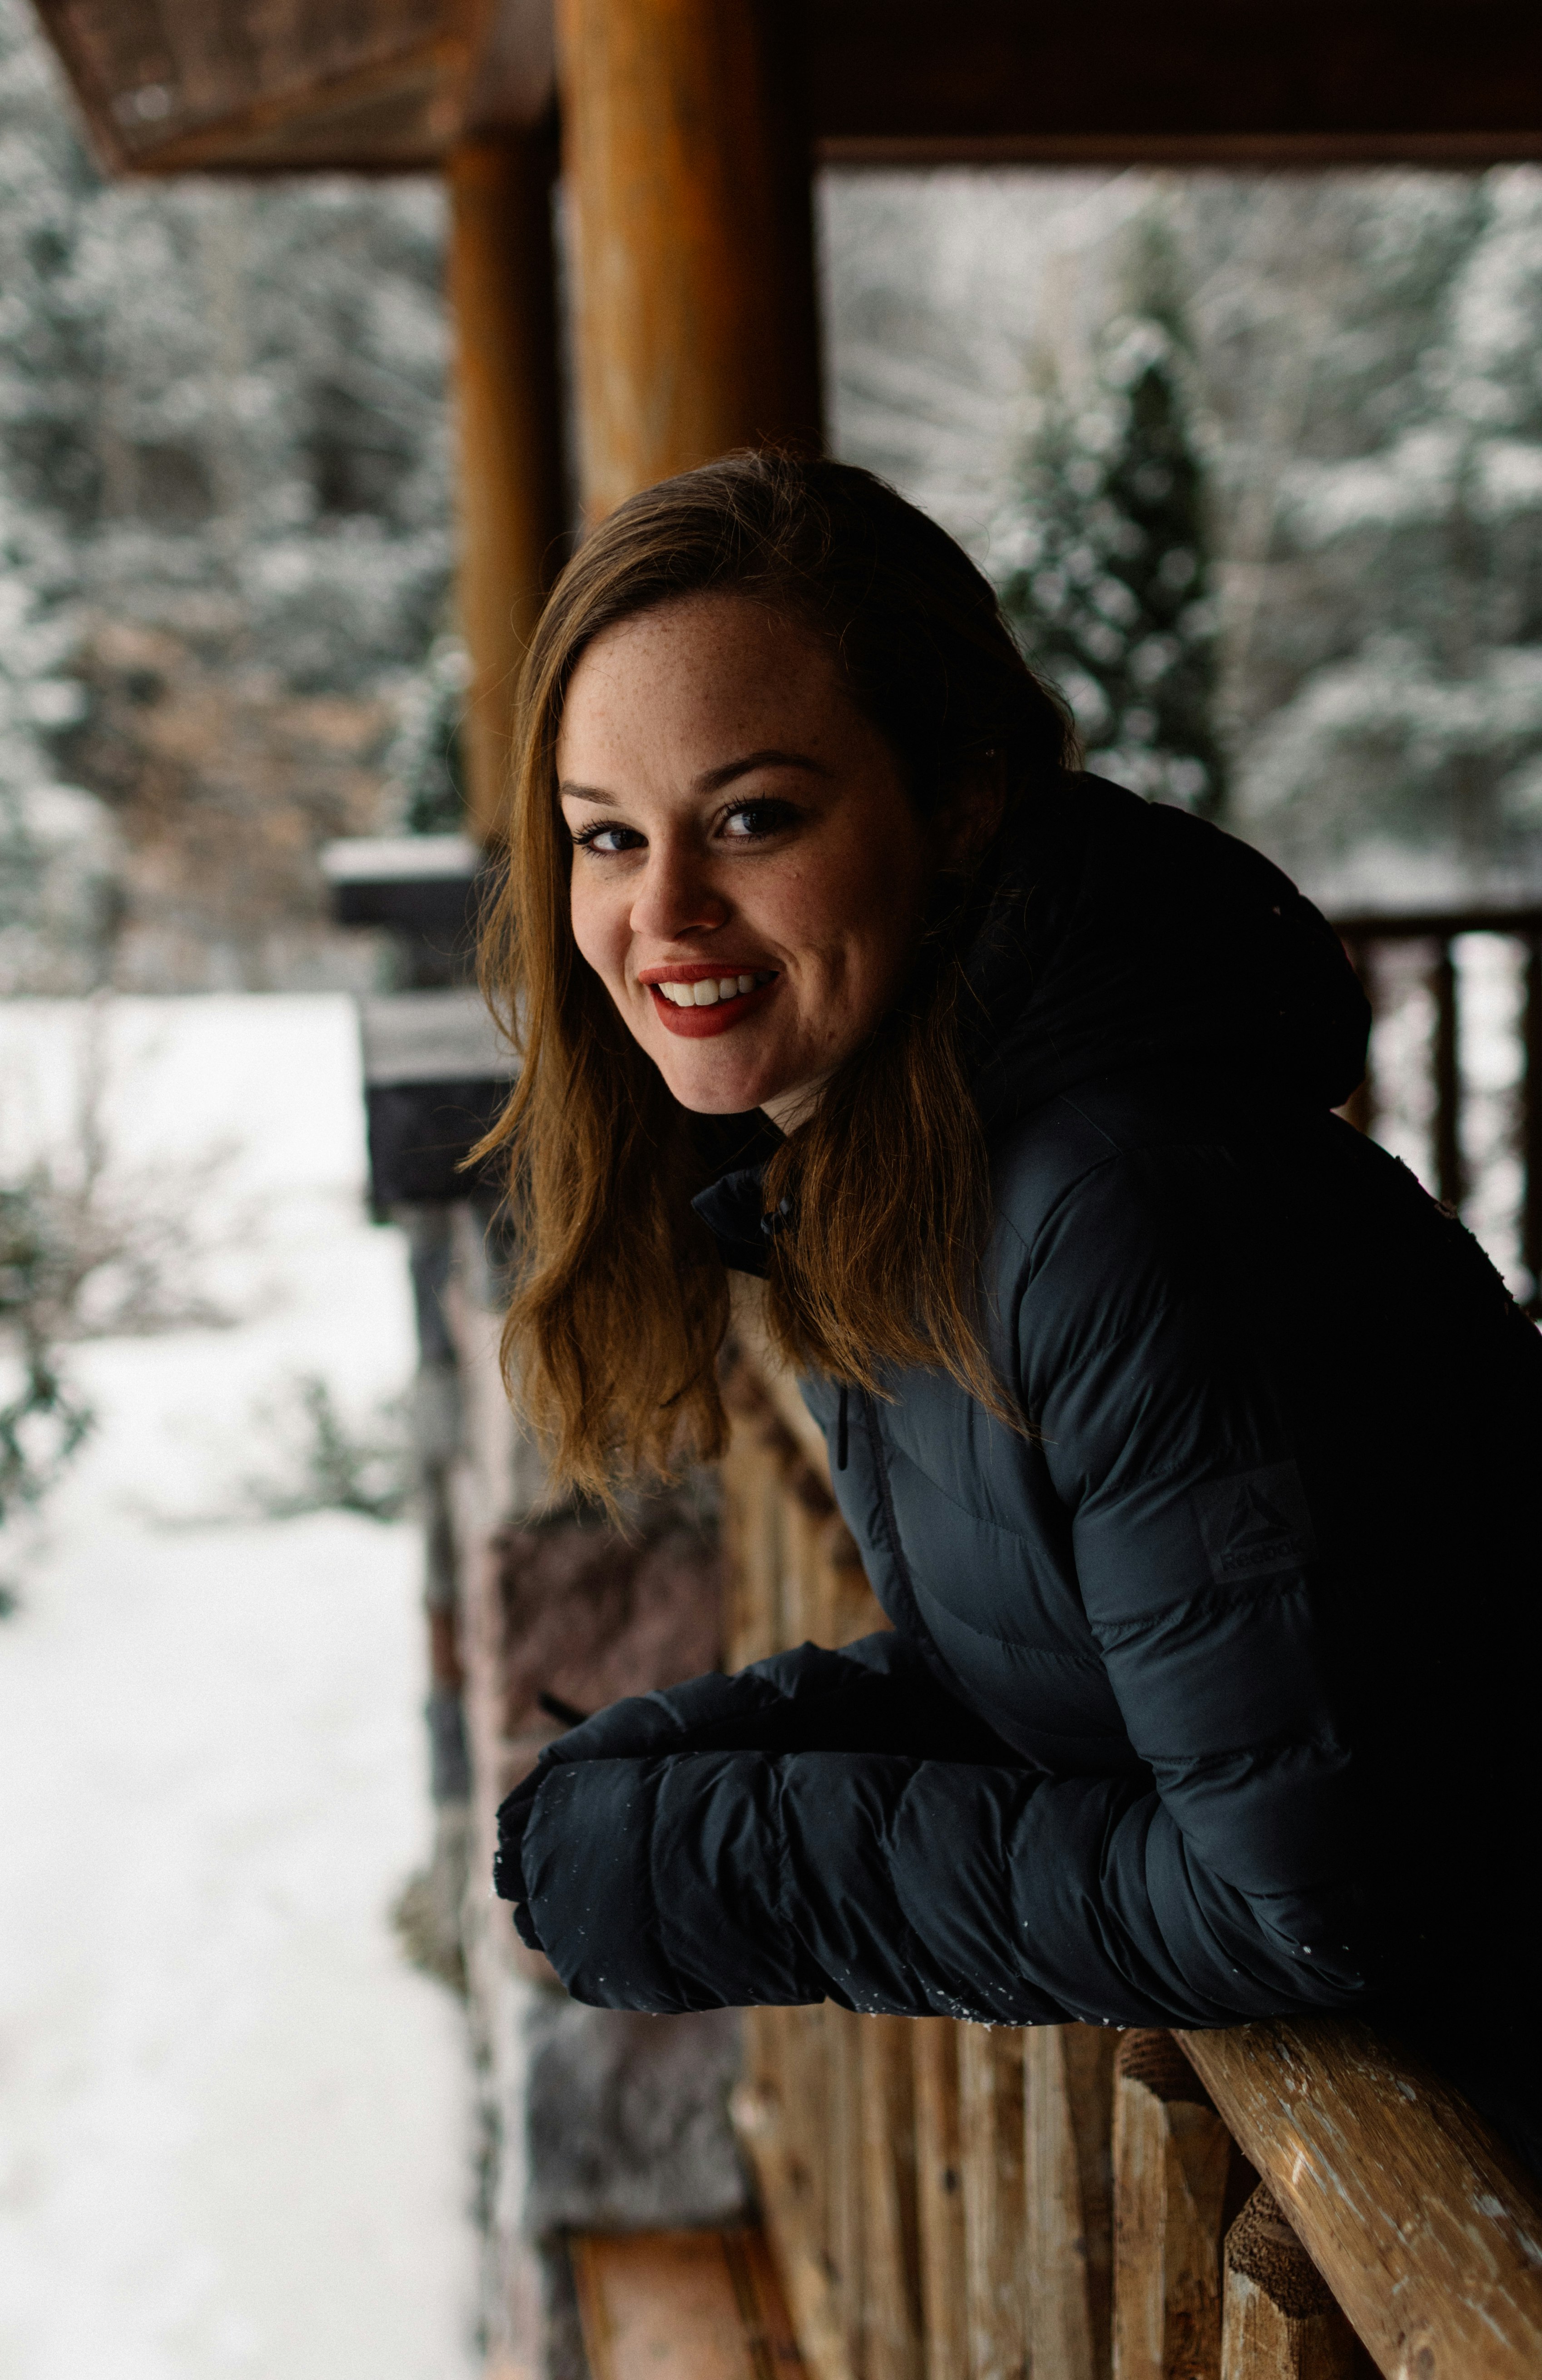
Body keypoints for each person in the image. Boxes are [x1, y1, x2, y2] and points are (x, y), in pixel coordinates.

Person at [481, 451, 1542, 2168]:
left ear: (961, 799)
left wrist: (734, 1858)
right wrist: (678, 1767)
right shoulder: (901, 1171)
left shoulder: (1125, 1208)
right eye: (608, 834)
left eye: (752, 816)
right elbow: (1107, 1657)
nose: (660, 911)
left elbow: (1309, 1899)